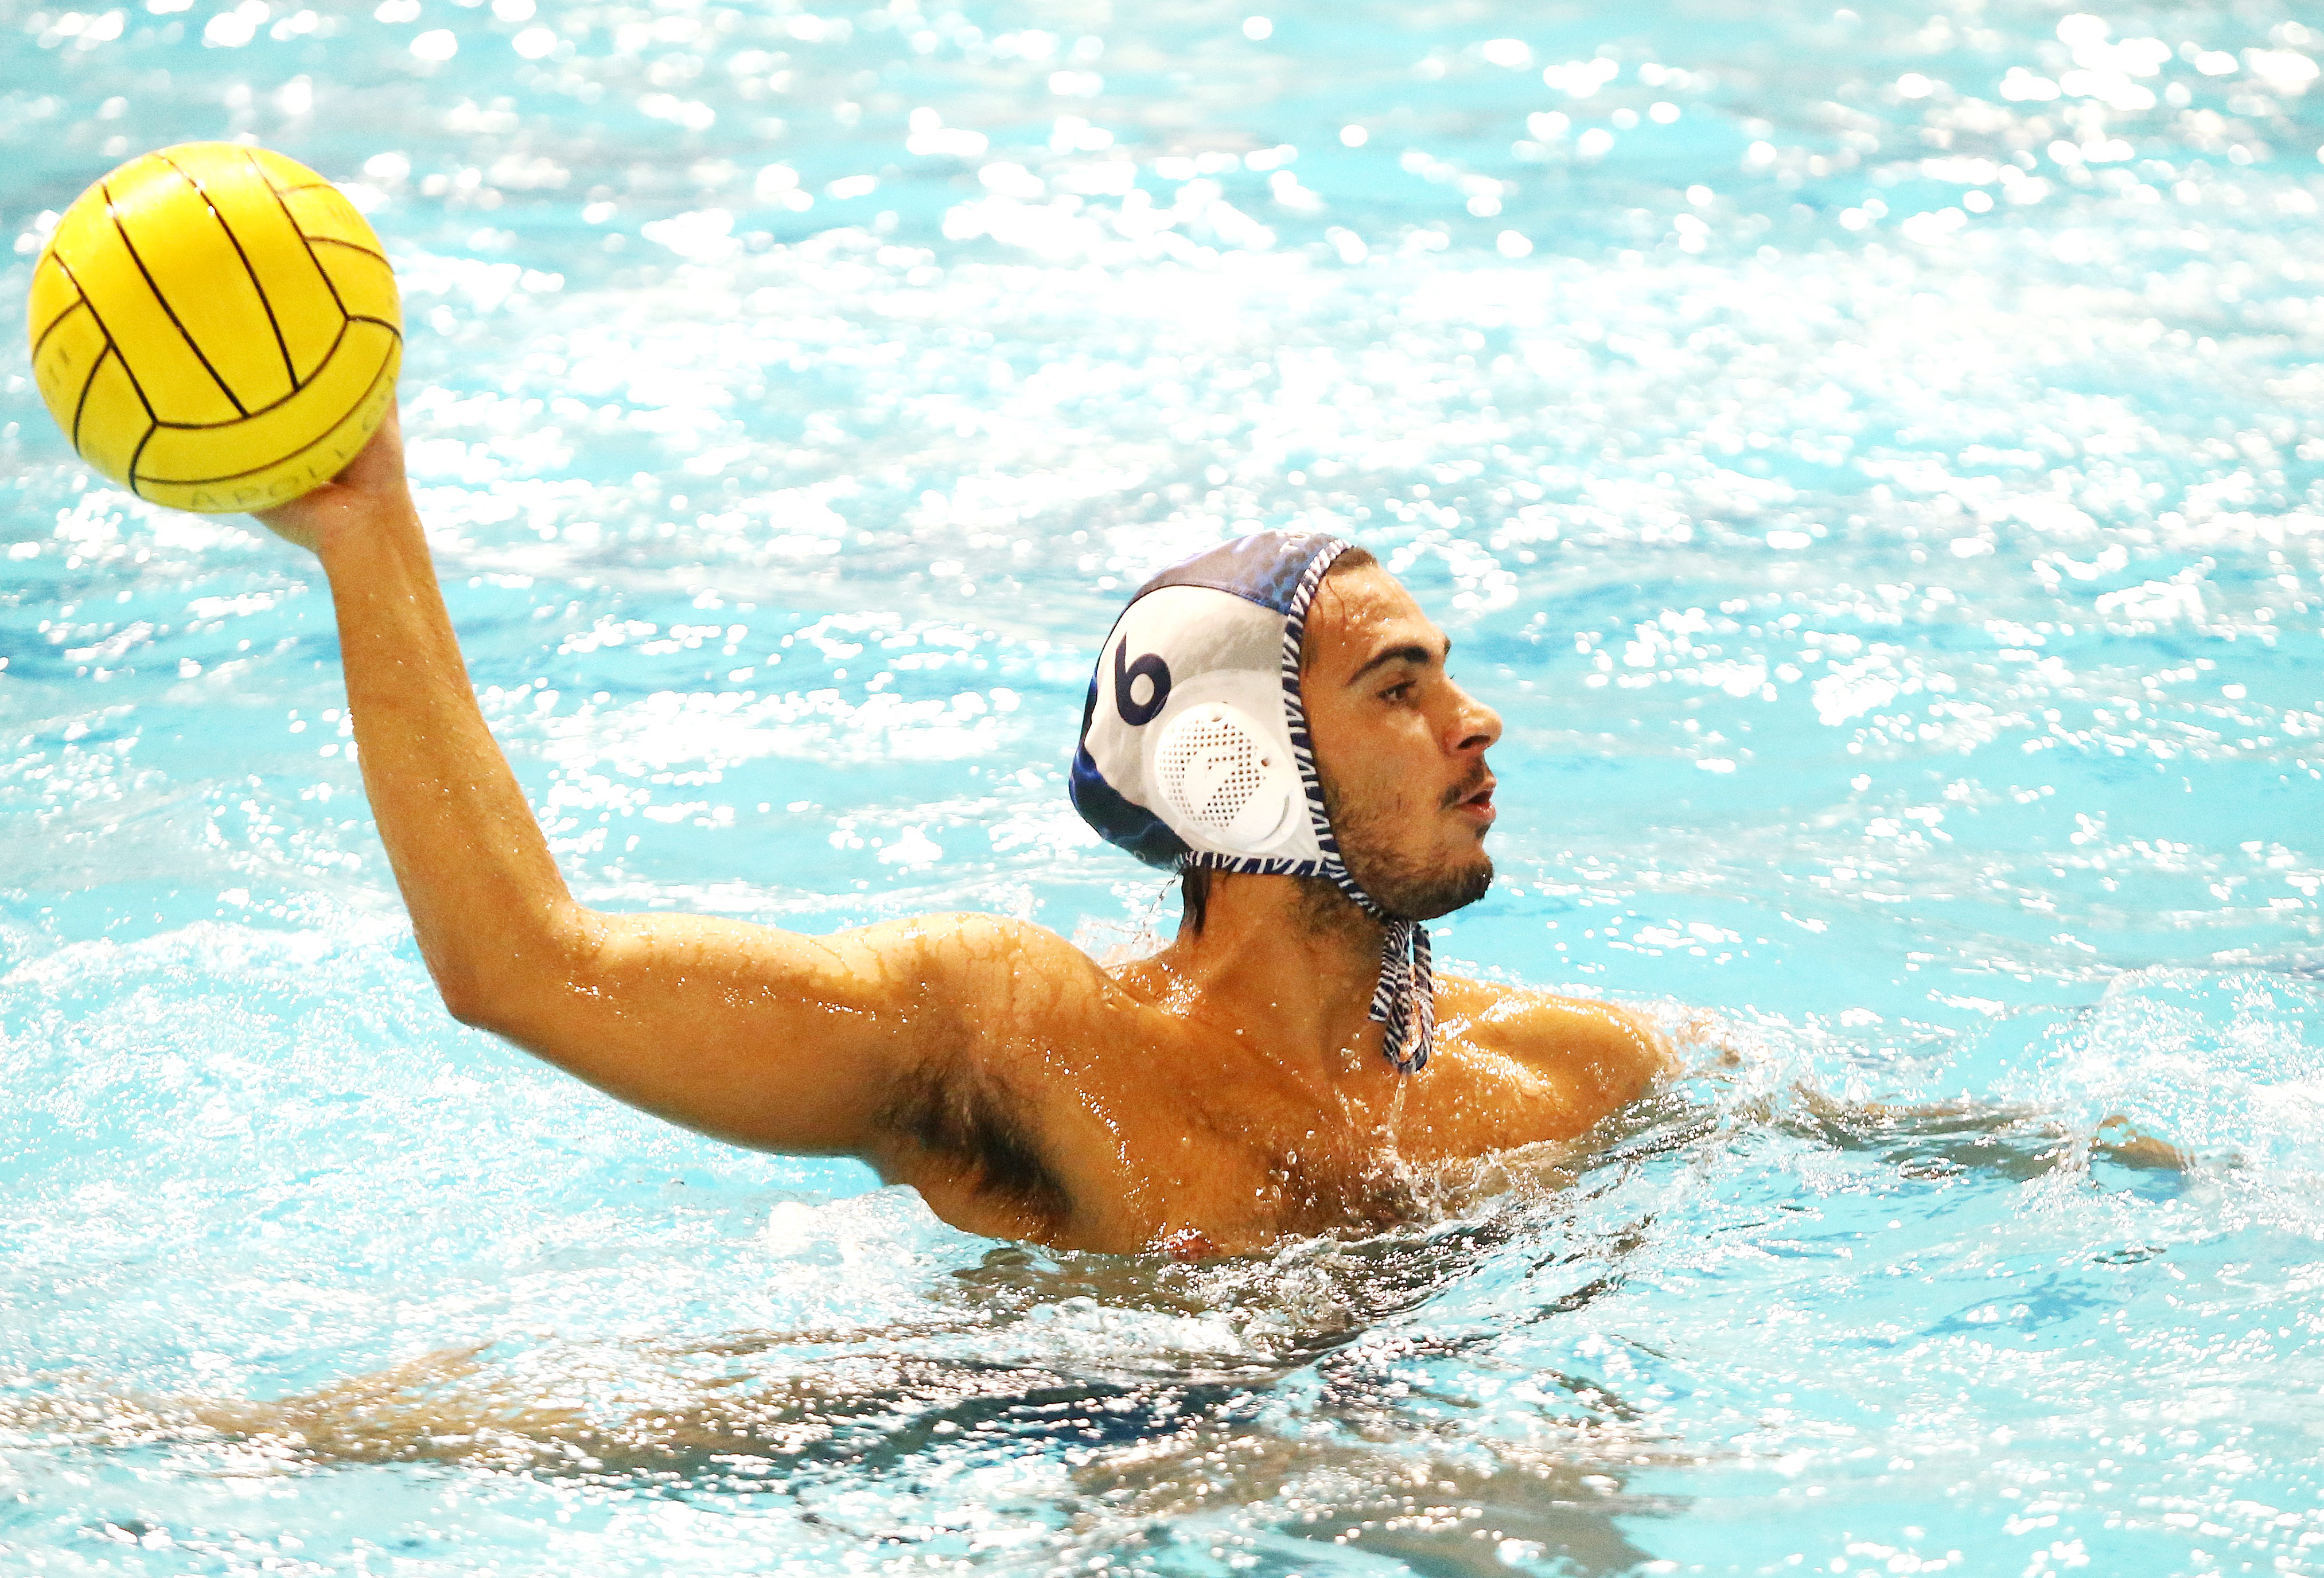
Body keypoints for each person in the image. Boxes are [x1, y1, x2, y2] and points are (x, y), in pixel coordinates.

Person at [255, 404, 1672, 1257]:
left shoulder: (1573, 1073)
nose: (1477, 720)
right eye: (1399, 688)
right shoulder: (1024, 1043)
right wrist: (371, 531)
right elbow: (523, 965)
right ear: (1238, 763)